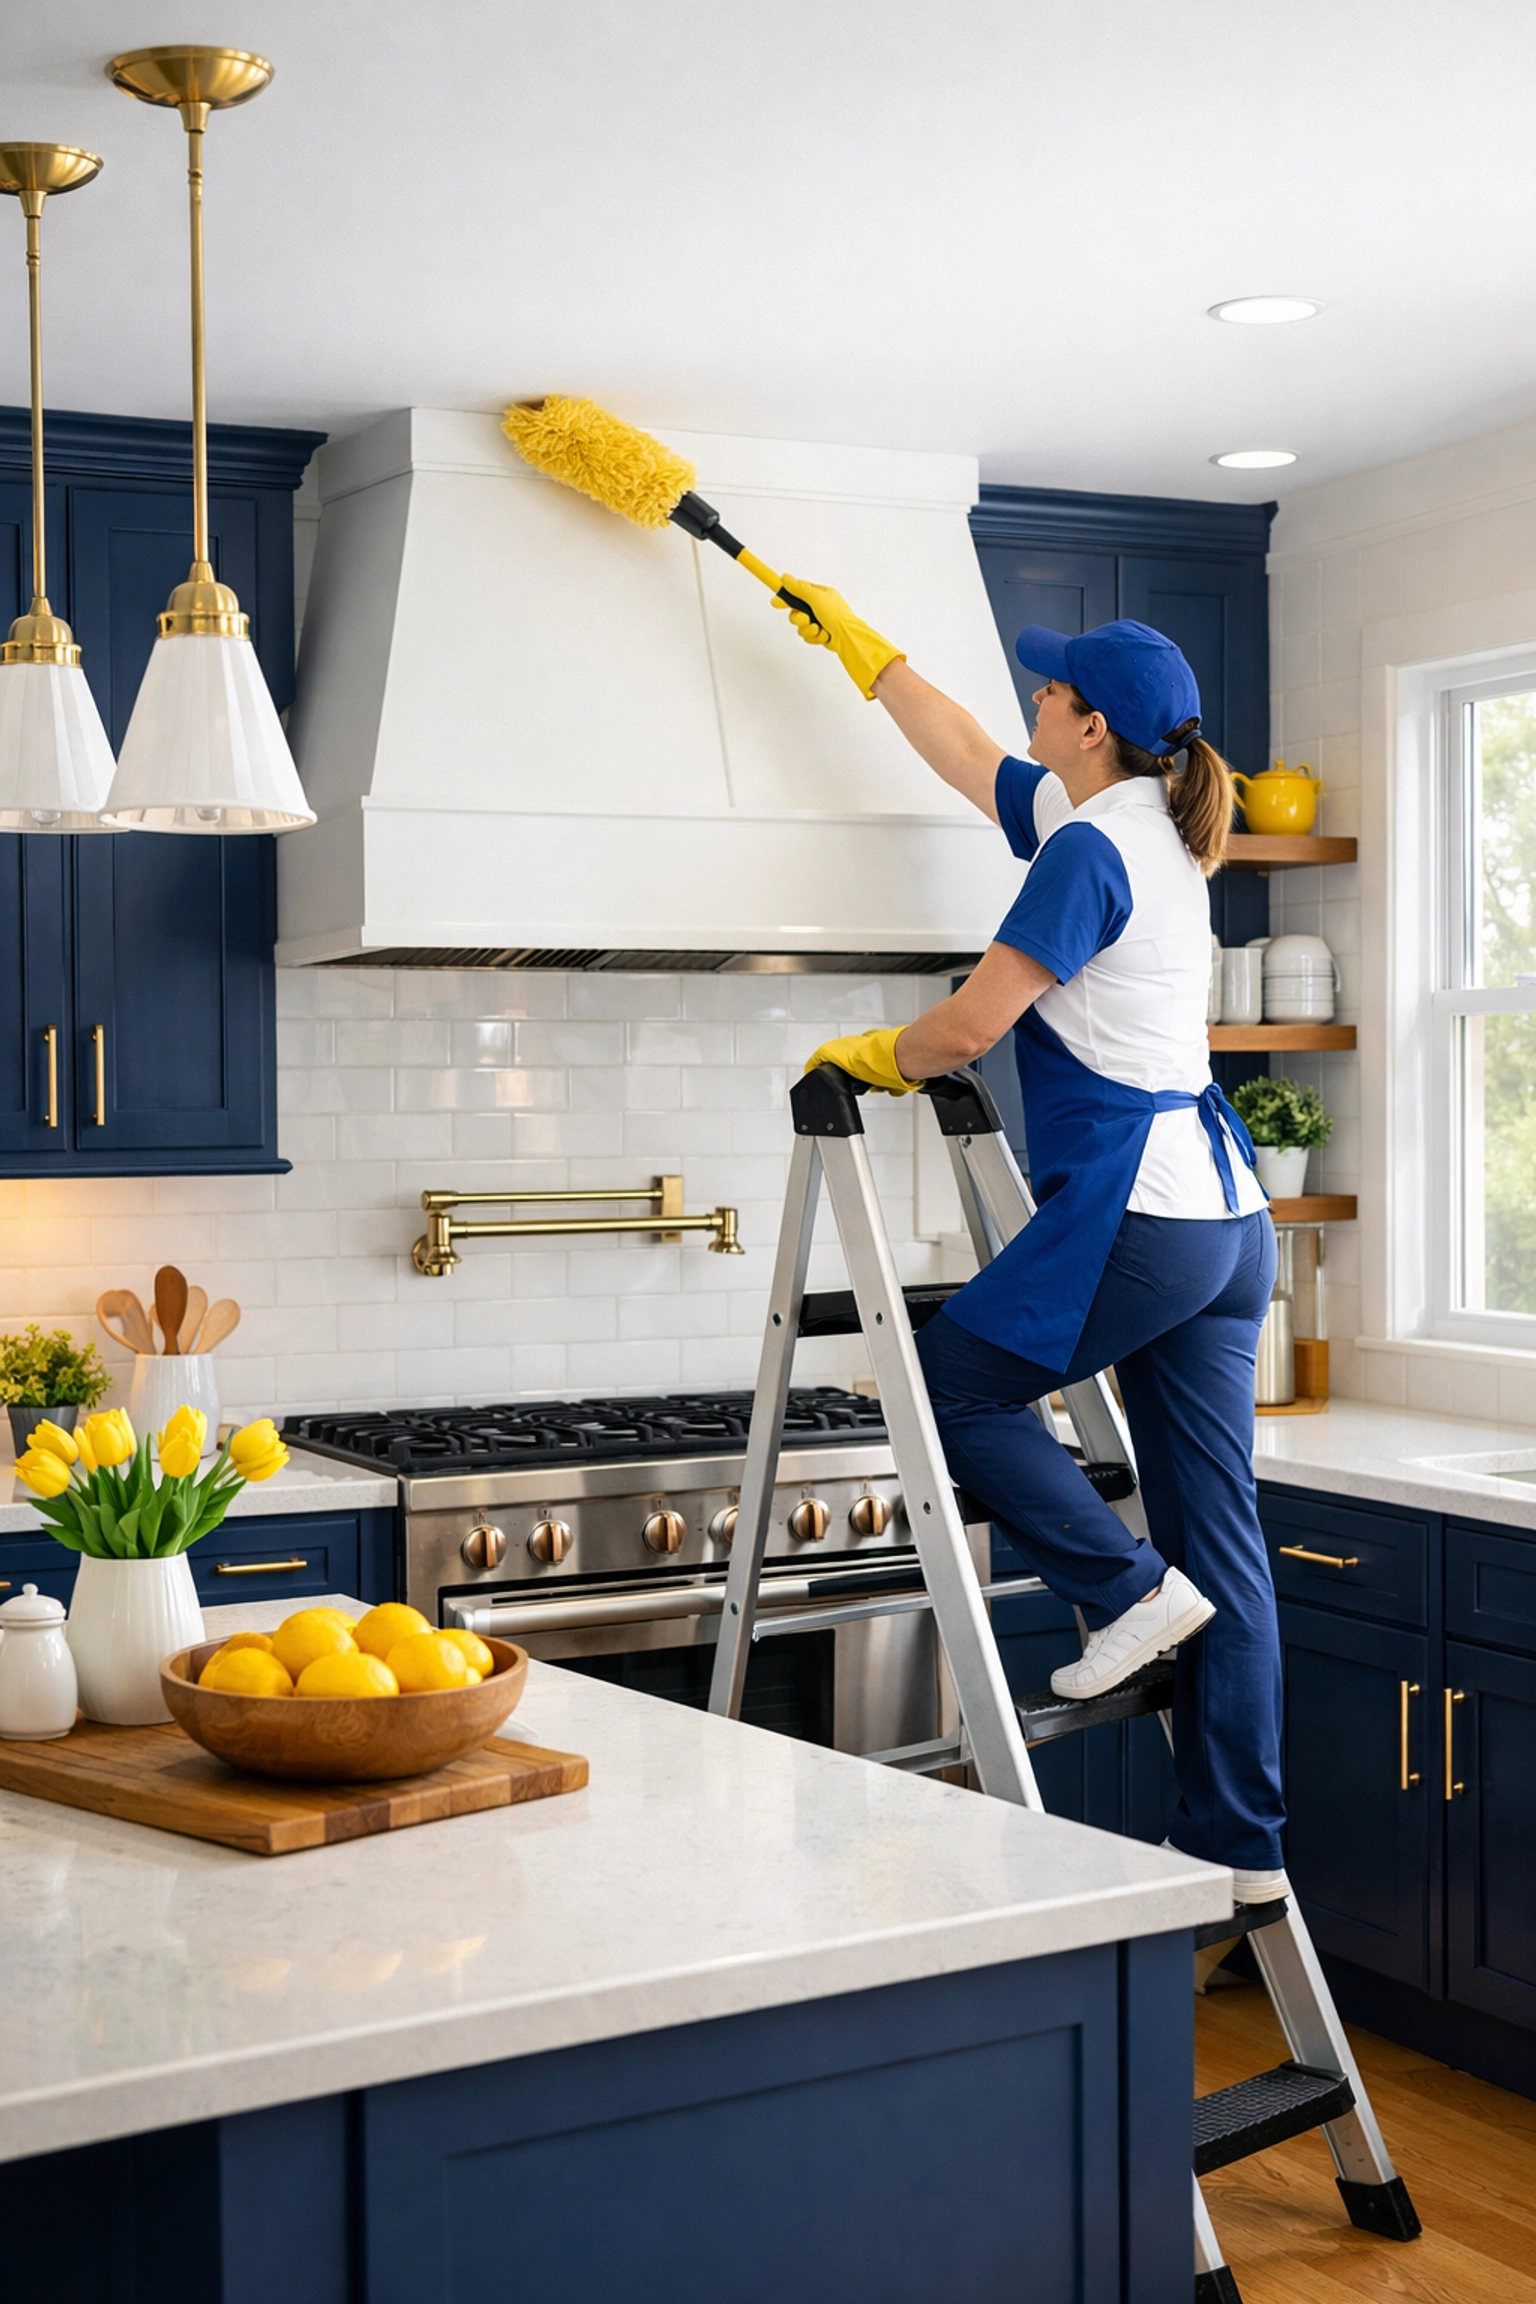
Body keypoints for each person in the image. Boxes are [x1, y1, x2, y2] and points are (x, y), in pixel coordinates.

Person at [776, 581, 1285, 1902]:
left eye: (1051, 693)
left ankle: (1121, 1595)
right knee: (1220, 1541)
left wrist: (870, 1055)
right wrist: (865, 655)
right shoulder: (1146, 829)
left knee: (947, 1385)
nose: (1034, 704)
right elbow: (966, 756)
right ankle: (1238, 1848)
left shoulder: (1087, 852)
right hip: (1225, 1224)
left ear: (1093, 726)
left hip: (1145, 1211)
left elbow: (965, 1032)